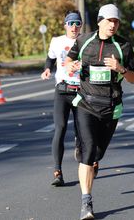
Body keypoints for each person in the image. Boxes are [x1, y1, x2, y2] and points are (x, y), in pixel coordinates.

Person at [65, 4, 134, 220]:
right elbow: (68, 60)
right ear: (99, 21)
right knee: (88, 154)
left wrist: (120, 69)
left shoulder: (124, 46)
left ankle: (85, 150)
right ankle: (86, 203)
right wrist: (71, 66)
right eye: (109, 21)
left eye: (116, 21)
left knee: (97, 154)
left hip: (111, 108)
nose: (113, 25)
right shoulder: (84, 40)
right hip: (86, 104)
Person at [40, 10, 82, 186]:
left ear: (81, 26)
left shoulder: (86, 41)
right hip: (62, 90)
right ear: (65, 24)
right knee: (60, 128)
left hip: (82, 92)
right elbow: (50, 58)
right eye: (71, 23)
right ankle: (58, 171)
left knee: (83, 131)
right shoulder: (57, 42)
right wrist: (47, 68)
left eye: (77, 23)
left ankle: (84, 151)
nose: (74, 27)